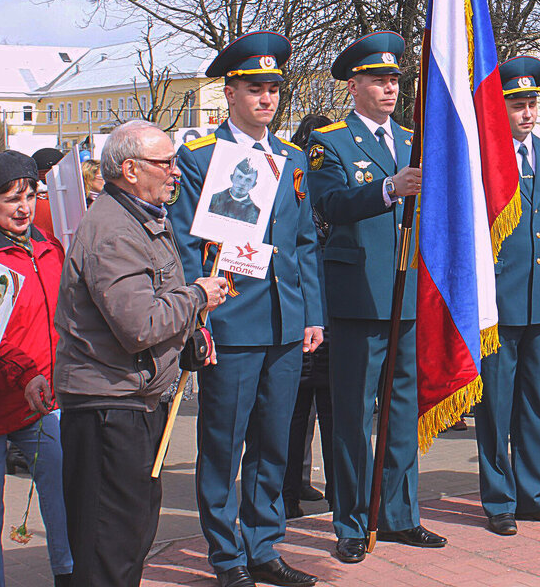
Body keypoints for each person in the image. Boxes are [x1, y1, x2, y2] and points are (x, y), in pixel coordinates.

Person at [167, 33, 324, 587]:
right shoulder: (201, 158)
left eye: (274, 90)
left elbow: (304, 241)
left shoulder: (292, 157)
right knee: (222, 442)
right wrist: (198, 314)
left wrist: (312, 312)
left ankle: (264, 545)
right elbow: (187, 245)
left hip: (284, 319)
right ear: (229, 93)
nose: (267, 100)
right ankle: (226, 555)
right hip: (231, 318)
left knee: (273, 442)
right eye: (255, 89)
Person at [54, 121, 228, 587]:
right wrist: (196, 297)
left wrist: (186, 340)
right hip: (109, 408)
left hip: (134, 399)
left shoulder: (143, 217)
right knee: (108, 546)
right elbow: (141, 324)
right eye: (165, 163)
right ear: (129, 169)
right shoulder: (115, 230)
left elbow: (153, 308)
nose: (176, 172)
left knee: (129, 537)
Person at [306, 32, 444, 563]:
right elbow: (330, 204)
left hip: (407, 295)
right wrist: (388, 189)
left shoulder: (414, 138)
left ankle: (400, 515)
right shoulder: (331, 142)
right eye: (378, 80)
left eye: (394, 80)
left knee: (402, 412)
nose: (389, 89)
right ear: (355, 85)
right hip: (357, 298)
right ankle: (352, 519)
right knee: (354, 415)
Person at [475, 56, 540, 536]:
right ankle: (499, 499)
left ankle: (533, 493)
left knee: (535, 402)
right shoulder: (485, 157)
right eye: (516, 105)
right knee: (497, 404)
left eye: (531, 103)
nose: (526, 113)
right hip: (499, 295)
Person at [0, 151, 71, 587]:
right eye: (9, 199)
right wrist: (23, 374)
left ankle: (69, 573)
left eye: (29, 195)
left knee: (64, 489)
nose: (23, 207)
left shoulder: (49, 248)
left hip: (41, 400)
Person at [281, 114, 334, 521]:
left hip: (330, 311)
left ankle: (314, 486)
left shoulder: (323, 183)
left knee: (326, 407)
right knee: (298, 409)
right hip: (304, 313)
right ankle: (289, 490)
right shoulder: (293, 186)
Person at [207, 159, 261, 224]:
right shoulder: (213, 199)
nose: (242, 183)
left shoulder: (255, 213)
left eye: (248, 180)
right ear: (232, 178)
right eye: (239, 177)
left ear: (253, 185)